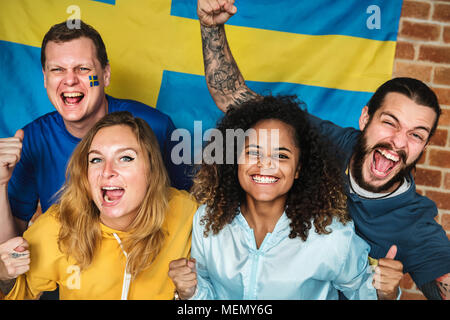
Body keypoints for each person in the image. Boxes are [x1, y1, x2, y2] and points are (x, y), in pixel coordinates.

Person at [196, 0, 450, 300]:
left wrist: (386, 293)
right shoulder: (324, 142)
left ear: (424, 146)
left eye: (416, 135)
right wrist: (211, 27)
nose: (398, 141)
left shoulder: (414, 224)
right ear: (365, 117)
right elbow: (233, 98)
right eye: (390, 122)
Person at [169, 95, 402, 300]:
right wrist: (191, 292)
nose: (265, 164)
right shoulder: (207, 221)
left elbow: (366, 294)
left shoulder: (331, 236)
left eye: (281, 155)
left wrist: (386, 293)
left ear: (299, 168)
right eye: (253, 152)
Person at [0, 20, 191, 246]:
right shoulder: (31, 139)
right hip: (71, 269)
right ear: (45, 78)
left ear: (105, 74)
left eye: (83, 69)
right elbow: (9, 253)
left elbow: (189, 215)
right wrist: (0, 184)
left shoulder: (156, 126)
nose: (69, 80)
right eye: (57, 70)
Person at [0, 111, 198, 299]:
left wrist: (188, 293)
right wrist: (4, 275)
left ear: (152, 169)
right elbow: (18, 291)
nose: (107, 171)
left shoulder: (185, 212)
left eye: (125, 158)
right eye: (96, 159)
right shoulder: (59, 225)